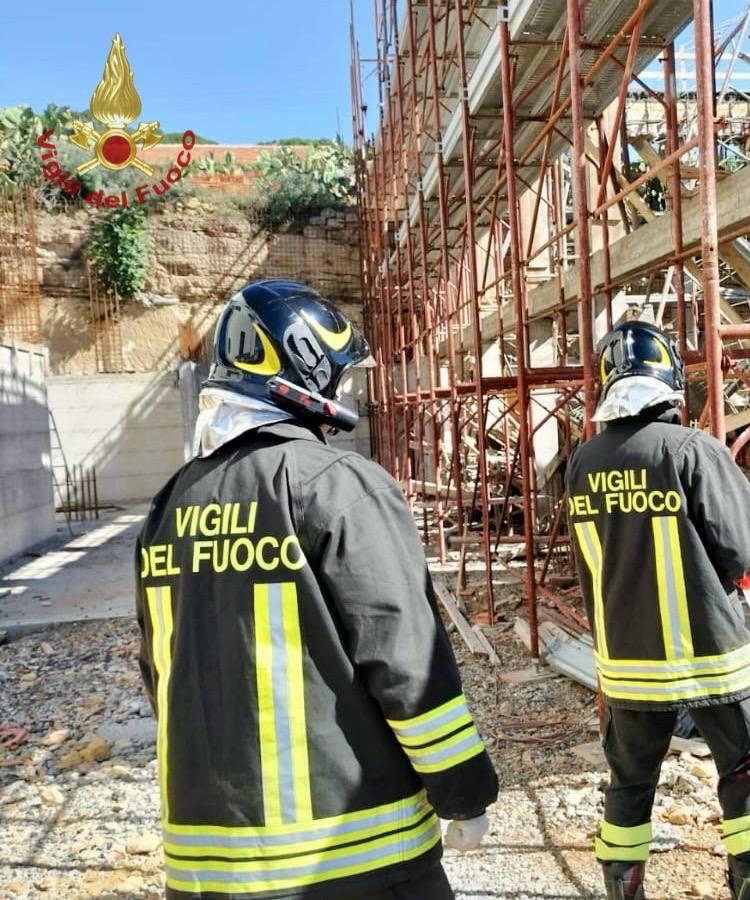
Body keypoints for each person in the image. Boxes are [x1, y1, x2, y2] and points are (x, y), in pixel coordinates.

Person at [135, 280, 498, 900]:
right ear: (305, 368)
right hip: (353, 857)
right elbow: (408, 664)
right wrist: (463, 792)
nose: (342, 390)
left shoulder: (171, 504)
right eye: (338, 375)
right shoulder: (338, 485)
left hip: (204, 867)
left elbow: (160, 671)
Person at [565, 321, 750, 900]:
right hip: (712, 659)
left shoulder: (582, 464)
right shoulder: (692, 451)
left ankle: (623, 891)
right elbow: (746, 550)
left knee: (629, 783)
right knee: (745, 776)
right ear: (671, 381)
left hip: (628, 664)